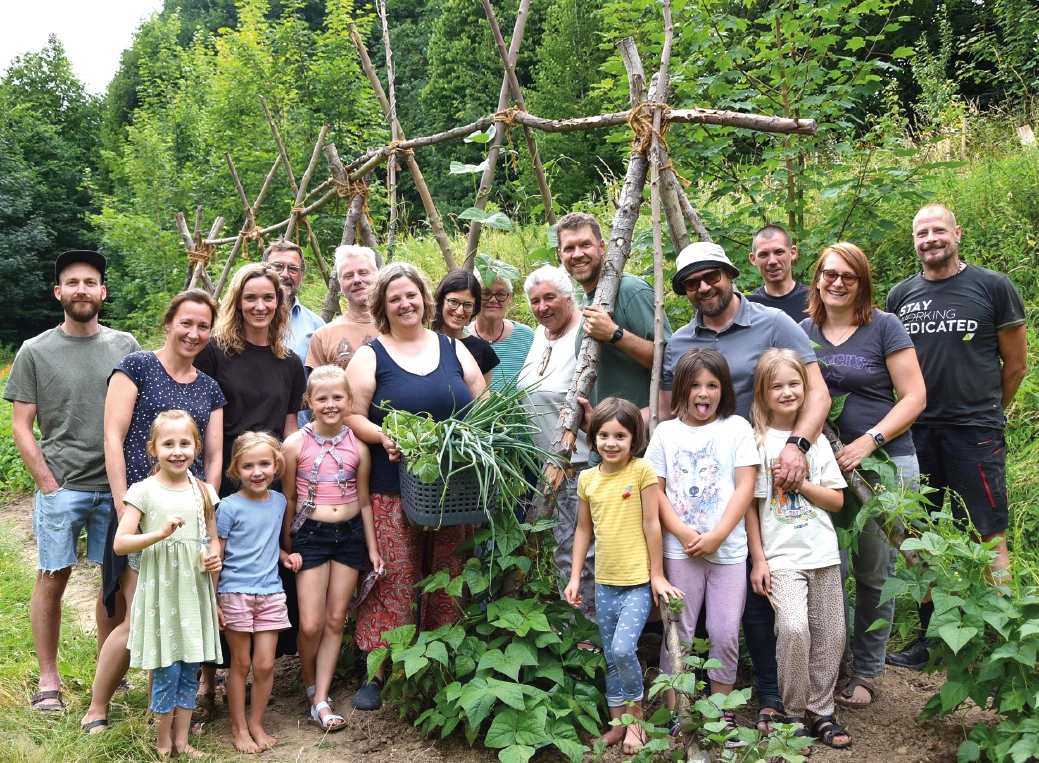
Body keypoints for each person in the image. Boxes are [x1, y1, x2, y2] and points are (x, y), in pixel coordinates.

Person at [659, 241, 830, 731]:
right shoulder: (681, 341)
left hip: (772, 470)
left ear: (731, 274)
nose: (703, 287)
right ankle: (746, 698)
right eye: (692, 282)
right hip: (707, 485)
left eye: (711, 276)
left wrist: (798, 444)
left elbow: (814, 388)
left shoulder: (773, 322)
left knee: (767, 585)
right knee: (739, 601)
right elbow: (672, 411)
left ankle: (784, 695)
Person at [885, 204, 1027, 671]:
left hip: (975, 432)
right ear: (914, 241)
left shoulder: (993, 287)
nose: (930, 238)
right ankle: (931, 636)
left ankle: (1003, 636)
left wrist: (989, 414)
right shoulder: (901, 295)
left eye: (938, 230)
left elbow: (1017, 364)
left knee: (988, 533)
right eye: (922, 232)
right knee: (920, 535)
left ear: (957, 233)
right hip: (915, 433)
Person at [3, 250, 140, 715]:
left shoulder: (125, 345)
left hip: (117, 488)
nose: (82, 289)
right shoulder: (35, 351)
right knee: (53, 577)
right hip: (63, 488)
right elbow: (22, 424)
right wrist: (47, 483)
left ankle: (109, 670)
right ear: (58, 292)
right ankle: (49, 680)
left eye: (90, 282)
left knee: (113, 583)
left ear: (102, 291)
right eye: (72, 282)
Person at [82, 289, 226, 734]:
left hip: (190, 519)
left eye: (203, 326)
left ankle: (161, 713)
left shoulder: (209, 387)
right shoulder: (136, 367)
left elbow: (215, 458)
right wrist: (131, 505)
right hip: (143, 513)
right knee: (139, 617)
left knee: (181, 618)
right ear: (169, 321)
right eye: (187, 322)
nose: (194, 333)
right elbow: (113, 438)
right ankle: (97, 707)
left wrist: (205, 514)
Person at [345, 263, 484, 711]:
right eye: (395, 298)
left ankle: (440, 662)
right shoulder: (372, 355)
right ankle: (379, 669)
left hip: (453, 486)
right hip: (393, 484)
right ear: (383, 307)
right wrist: (383, 436)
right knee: (396, 575)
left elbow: (482, 402)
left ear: (425, 299)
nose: (406, 304)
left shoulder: (453, 348)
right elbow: (351, 414)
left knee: (449, 570)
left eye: (412, 295)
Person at [799, 243, 926, 707]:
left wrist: (869, 440)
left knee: (875, 570)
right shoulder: (801, 331)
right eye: (829, 274)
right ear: (816, 278)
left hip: (884, 467)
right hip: (821, 471)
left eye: (848, 276)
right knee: (828, 569)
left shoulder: (884, 327)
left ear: (863, 283)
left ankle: (868, 670)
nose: (837, 282)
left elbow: (914, 397)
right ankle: (835, 660)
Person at [193, 262, 305, 708]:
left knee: (262, 572)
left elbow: (293, 430)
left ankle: (257, 673)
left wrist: (290, 490)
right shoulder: (216, 353)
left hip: (269, 479)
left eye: (269, 298)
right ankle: (206, 678)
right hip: (220, 475)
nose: (260, 306)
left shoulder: (290, 362)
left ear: (280, 304)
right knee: (216, 569)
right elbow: (199, 414)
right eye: (250, 298)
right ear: (237, 302)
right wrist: (204, 482)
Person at [645, 349, 758, 744]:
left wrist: (718, 534)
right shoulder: (665, 433)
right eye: (694, 385)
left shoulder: (737, 429)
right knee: (680, 631)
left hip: (728, 551)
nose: (703, 393)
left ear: (723, 389)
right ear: (681, 389)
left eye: (711, 385)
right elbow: (655, 492)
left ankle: (721, 715)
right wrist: (681, 530)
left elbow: (746, 486)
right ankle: (681, 713)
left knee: (725, 632)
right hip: (681, 552)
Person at [565, 397, 681, 755]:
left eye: (620, 436)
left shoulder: (641, 471)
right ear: (593, 438)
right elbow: (583, 530)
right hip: (603, 583)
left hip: (636, 583)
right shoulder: (587, 478)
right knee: (611, 657)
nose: (611, 443)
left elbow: (652, 524)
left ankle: (636, 721)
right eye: (603, 435)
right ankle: (617, 727)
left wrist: (657, 576)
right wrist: (573, 578)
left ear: (635, 440)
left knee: (622, 648)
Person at [748, 348, 851, 751]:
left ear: (805, 389)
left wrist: (800, 484)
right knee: (793, 628)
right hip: (781, 557)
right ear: (763, 392)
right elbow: (752, 511)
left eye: (794, 384)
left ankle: (821, 710)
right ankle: (793, 714)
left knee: (831, 634)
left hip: (822, 553)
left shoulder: (816, 442)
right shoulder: (757, 443)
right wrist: (759, 560)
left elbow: (838, 501)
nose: (787, 392)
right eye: (778, 386)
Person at [112, 410, 222, 759]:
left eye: (185, 443)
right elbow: (121, 542)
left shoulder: (203, 491)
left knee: (190, 665)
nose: (178, 451)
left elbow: (213, 539)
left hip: (193, 591)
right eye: (168, 444)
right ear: (153, 449)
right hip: (160, 592)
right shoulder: (142, 491)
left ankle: (182, 740)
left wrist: (213, 556)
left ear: (196, 447)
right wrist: (159, 533)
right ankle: (161, 743)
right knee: (167, 667)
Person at [282, 365, 382, 731]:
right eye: (321, 398)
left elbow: (366, 500)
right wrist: (287, 545)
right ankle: (310, 684)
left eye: (337, 397)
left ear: (349, 401)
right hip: (310, 534)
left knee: (336, 618)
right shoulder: (295, 444)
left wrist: (372, 549)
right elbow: (289, 499)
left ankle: (320, 698)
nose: (329, 404)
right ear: (309, 401)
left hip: (351, 534)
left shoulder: (358, 445)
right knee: (310, 623)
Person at [517, 265, 593, 620]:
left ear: (569, 296)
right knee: (563, 549)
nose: (543, 306)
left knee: (578, 550)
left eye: (550, 297)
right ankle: (575, 630)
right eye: (535, 301)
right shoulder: (539, 333)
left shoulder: (584, 334)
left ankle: (587, 635)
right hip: (545, 466)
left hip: (576, 465)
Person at [216, 432, 293, 753]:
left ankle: (257, 724)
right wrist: (213, 600)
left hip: (271, 593)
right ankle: (238, 729)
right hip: (235, 593)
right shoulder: (228, 507)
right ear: (236, 469)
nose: (257, 472)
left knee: (264, 665)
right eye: (248, 466)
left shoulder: (279, 501)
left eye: (264, 464)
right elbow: (216, 556)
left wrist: (285, 556)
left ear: (276, 465)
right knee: (242, 663)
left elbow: (267, 541)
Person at [556, 212, 670, 417]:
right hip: (605, 442)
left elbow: (669, 360)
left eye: (585, 245)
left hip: (639, 442)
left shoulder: (630, 290)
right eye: (569, 248)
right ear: (560, 254)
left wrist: (615, 334)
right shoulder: (589, 297)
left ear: (601, 247)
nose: (578, 254)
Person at [306, 245, 378, 371]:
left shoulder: (397, 326)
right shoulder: (324, 336)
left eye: (363, 273)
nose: (356, 280)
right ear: (340, 286)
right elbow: (317, 388)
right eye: (348, 276)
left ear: (377, 277)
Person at [433, 269, 500, 388]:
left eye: (468, 305)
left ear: (475, 308)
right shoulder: (422, 342)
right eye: (453, 301)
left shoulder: (483, 351)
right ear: (441, 300)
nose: (459, 312)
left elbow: (482, 402)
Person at [264, 239, 325, 367]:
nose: (285, 275)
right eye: (277, 267)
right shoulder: (246, 318)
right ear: (263, 270)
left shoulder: (316, 326)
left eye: (293, 269)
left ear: (302, 275)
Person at [468, 272, 533, 391]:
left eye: (501, 294)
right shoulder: (461, 336)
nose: (493, 300)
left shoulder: (526, 336)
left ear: (510, 298)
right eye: (485, 293)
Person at [746, 224, 810, 321]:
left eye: (779, 252)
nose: (772, 261)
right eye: (763, 254)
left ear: (792, 253)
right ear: (753, 259)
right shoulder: (748, 305)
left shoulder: (815, 299)